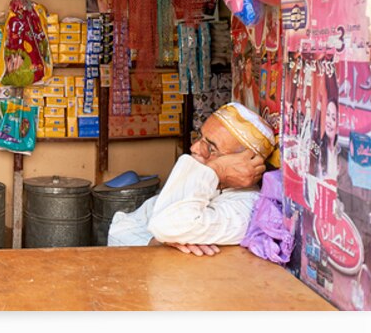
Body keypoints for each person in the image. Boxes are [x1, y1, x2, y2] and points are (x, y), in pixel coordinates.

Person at [107, 102, 276, 256]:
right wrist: (155, 242)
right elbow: (118, 230)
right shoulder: (207, 184)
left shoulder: (246, 208)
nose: (194, 148)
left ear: (245, 163)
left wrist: (217, 169)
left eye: (210, 148)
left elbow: (166, 224)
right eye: (199, 138)